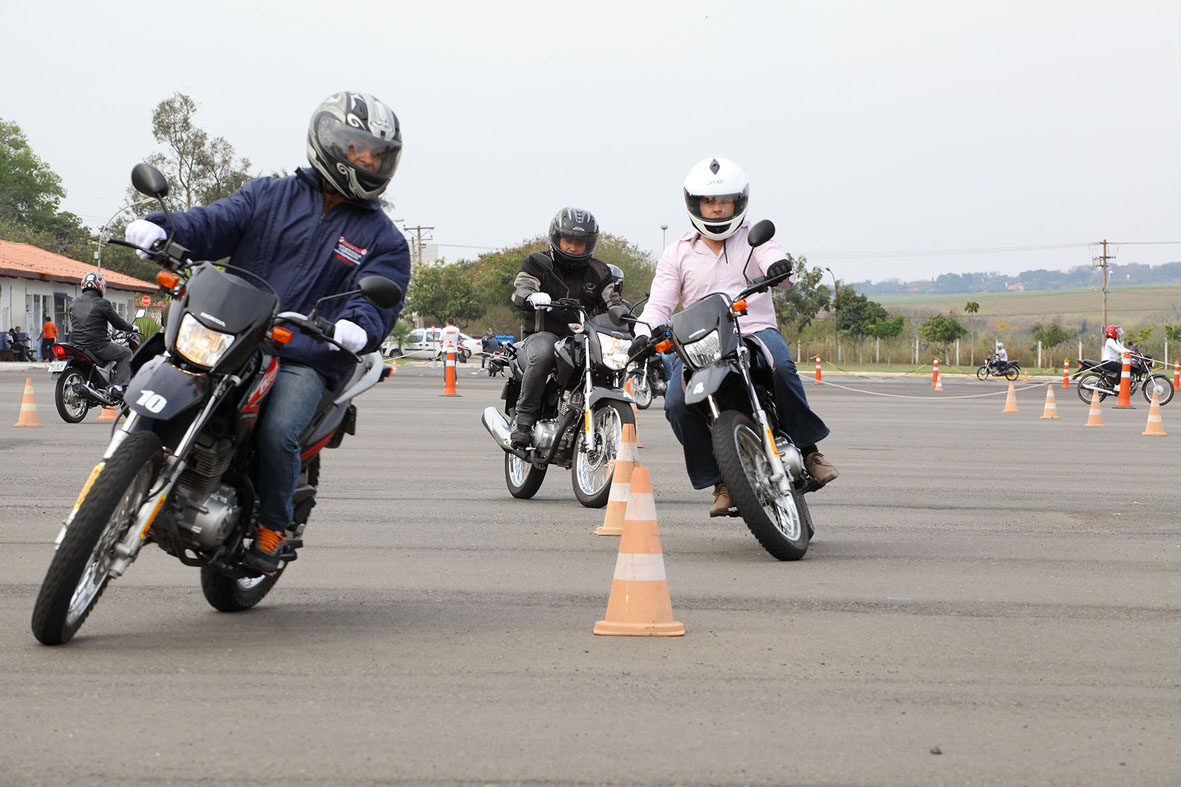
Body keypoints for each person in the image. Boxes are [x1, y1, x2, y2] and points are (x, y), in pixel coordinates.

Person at [124, 90, 410, 573]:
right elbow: (213, 223)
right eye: (358, 148)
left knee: (278, 430)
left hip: (305, 353)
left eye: (377, 153)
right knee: (158, 365)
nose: (368, 160)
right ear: (330, 141)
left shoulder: (385, 241)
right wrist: (162, 230)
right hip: (235, 331)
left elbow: (375, 303)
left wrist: (356, 327)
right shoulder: (268, 195)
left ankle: (273, 528)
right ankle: (128, 471)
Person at [633, 157, 837, 517]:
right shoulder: (676, 252)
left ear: (737, 202)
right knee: (676, 404)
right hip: (699, 344)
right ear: (695, 204)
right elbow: (659, 306)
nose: (716, 208)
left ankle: (809, 450)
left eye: (723, 200)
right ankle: (721, 481)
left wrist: (779, 268)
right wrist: (642, 333)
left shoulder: (754, 239)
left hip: (753, 331)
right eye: (708, 201)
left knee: (782, 368)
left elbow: (782, 270)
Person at [508, 207, 623, 447]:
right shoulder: (537, 263)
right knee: (544, 354)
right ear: (556, 237)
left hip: (582, 338)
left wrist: (624, 314)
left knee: (610, 358)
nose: (572, 247)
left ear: (589, 244)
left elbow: (612, 302)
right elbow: (521, 289)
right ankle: (524, 418)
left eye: (579, 243)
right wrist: (531, 297)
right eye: (568, 240)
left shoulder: (599, 271)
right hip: (543, 334)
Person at [68, 273, 137, 388]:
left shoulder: (74, 302)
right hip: (97, 345)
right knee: (127, 353)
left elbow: (74, 321)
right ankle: (119, 387)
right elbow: (118, 323)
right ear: (101, 286)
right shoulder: (103, 303)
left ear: (83, 285)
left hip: (76, 345)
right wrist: (132, 327)